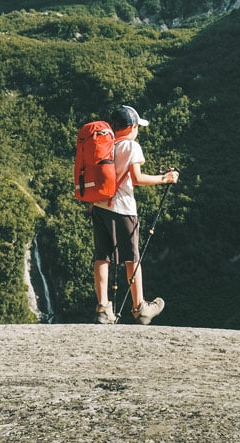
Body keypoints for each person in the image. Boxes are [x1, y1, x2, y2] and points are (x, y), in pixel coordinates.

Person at [92, 105, 179, 324]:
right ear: (131, 127)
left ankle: (103, 308)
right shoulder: (131, 146)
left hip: (99, 206)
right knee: (132, 257)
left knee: (102, 257)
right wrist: (165, 179)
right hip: (123, 208)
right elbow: (137, 178)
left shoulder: (104, 145)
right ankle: (140, 307)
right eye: (137, 126)